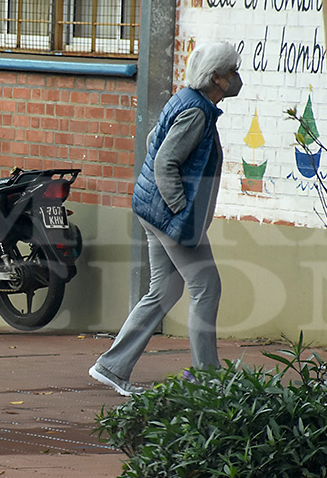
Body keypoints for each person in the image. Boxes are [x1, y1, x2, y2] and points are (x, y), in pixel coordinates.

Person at [89, 42, 243, 396]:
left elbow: (151, 141)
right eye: (232, 72)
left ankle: (112, 366)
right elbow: (164, 162)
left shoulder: (185, 99)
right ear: (216, 78)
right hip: (170, 218)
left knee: (165, 289)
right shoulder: (197, 112)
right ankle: (209, 380)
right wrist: (178, 209)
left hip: (152, 212)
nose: (237, 78)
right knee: (207, 288)